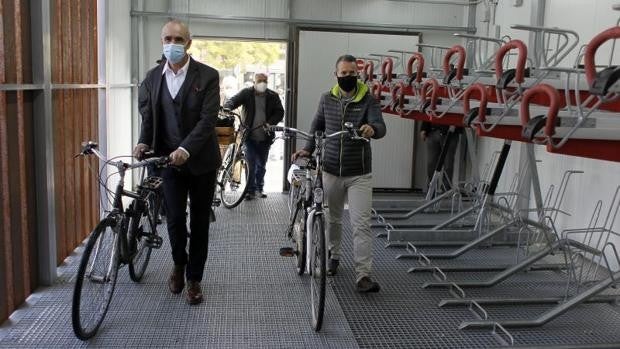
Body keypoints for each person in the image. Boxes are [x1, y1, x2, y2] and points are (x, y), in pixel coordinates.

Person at [133, 19, 221, 305]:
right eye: (167, 39)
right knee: (173, 219)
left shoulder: (207, 76)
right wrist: (143, 142)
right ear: (162, 42)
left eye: (178, 39)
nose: (172, 44)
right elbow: (149, 115)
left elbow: (208, 120)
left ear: (189, 43)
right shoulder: (152, 77)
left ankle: (195, 278)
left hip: (201, 162)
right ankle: (179, 264)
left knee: (199, 221)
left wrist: (186, 148)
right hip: (166, 162)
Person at [292, 55, 386, 293]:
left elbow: (381, 127)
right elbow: (316, 127)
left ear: (358, 73)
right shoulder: (327, 99)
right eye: (343, 73)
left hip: (359, 173)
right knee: (332, 219)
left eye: (351, 72)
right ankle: (334, 256)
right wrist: (307, 149)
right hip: (331, 169)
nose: (347, 77)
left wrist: (371, 129)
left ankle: (363, 275)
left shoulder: (368, 100)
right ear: (336, 75)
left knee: (361, 224)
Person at [223, 73, 284, 199]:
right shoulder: (246, 93)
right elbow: (233, 100)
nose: (263, 83)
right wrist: (227, 107)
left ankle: (259, 188)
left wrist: (270, 123)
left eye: (265, 80)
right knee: (250, 163)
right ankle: (249, 190)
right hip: (249, 135)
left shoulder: (273, 96)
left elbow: (280, 112)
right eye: (260, 80)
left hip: (265, 136)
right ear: (254, 82)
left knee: (261, 164)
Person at [419, 122, 460, 191]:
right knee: (431, 163)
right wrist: (423, 128)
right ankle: (432, 189)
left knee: (448, 164)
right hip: (433, 131)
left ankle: (445, 189)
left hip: (451, 132)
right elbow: (429, 111)